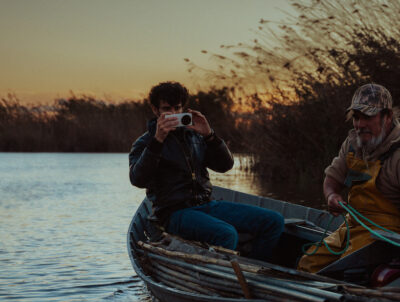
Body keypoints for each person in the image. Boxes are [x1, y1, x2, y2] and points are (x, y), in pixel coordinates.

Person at [129, 81, 284, 261]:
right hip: (173, 213)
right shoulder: (145, 143)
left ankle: (255, 271)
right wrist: (157, 141)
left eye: (177, 108)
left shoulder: (194, 136)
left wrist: (209, 135)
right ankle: (222, 280)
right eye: (167, 109)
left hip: (207, 205)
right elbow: (137, 179)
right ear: (156, 110)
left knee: (274, 221)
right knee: (226, 234)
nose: (173, 113)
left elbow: (225, 166)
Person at [298, 83, 400, 273]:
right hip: (352, 226)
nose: (360, 124)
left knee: (344, 270)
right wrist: (331, 196)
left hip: (386, 235)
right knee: (307, 263)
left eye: (368, 117)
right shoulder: (353, 144)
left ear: (387, 117)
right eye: (356, 117)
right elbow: (332, 180)